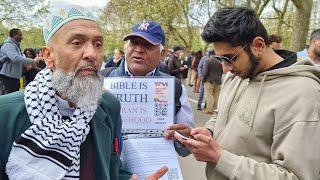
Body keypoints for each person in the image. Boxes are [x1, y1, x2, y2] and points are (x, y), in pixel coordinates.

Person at [0, 5, 167, 180]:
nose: (92, 54)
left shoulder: (109, 106)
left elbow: (112, 169)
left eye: (98, 44)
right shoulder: (5, 114)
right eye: (77, 43)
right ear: (48, 56)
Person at [173, 7, 320, 180]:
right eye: (220, 59)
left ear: (258, 45)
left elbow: (295, 176)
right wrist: (207, 133)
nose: (225, 68)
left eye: (229, 58)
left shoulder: (303, 93)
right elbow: (221, 115)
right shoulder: (237, 75)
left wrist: (220, 157)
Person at [108, 21, 195, 157]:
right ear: (126, 48)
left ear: (162, 54)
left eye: (147, 45)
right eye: (134, 43)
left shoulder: (175, 88)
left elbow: (186, 148)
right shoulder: (102, 82)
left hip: (156, 171)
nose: (138, 49)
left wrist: (185, 139)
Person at [0, 28, 42, 94]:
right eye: (19, 35)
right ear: (13, 35)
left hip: (14, 77)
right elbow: (15, 58)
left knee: (13, 96)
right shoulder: (8, 45)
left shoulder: (15, 45)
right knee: (8, 97)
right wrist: (32, 61)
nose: (21, 37)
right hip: (8, 77)